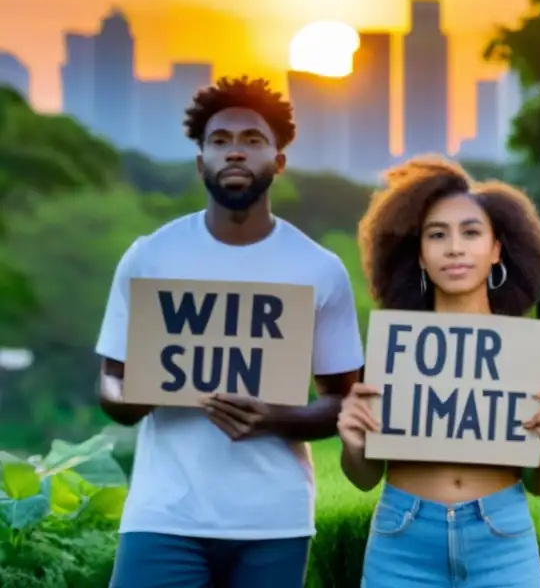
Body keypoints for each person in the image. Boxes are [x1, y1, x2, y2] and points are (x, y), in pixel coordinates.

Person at [96, 76, 365, 588]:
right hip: (163, 515)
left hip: (274, 521)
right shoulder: (150, 256)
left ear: (278, 161)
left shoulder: (318, 268)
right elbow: (110, 379)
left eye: (253, 140)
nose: (235, 153)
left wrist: (278, 418)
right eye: (220, 141)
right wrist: (130, 396)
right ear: (201, 162)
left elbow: (344, 402)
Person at [339, 156, 540, 588]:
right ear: (420, 257)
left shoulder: (533, 356)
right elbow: (365, 477)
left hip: (501, 540)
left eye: (471, 232)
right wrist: (353, 444)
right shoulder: (392, 350)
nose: (455, 248)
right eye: (437, 235)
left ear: (498, 248)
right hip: (402, 538)